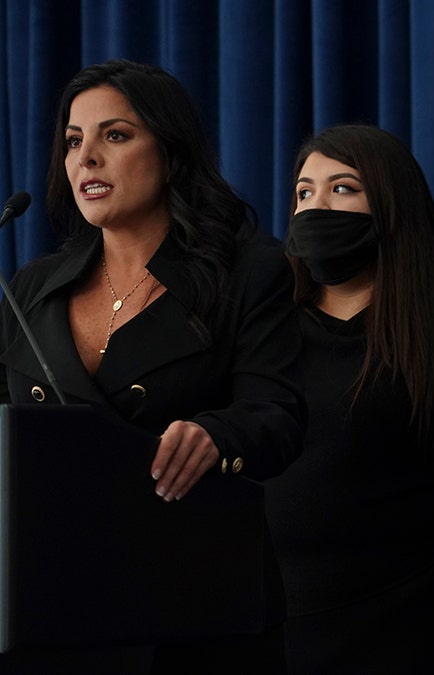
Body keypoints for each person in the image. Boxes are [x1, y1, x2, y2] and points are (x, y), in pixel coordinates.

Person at [0, 59, 304, 672]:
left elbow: (279, 415)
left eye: (114, 135)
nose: (87, 158)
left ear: (171, 150)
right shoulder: (31, 288)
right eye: (73, 141)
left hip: (192, 606)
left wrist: (217, 435)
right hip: (50, 607)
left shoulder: (248, 271)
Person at [263, 124, 434, 674]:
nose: (316, 207)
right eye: (304, 192)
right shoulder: (265, 333)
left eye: (342, 188)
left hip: (419, 634)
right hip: (280, 634)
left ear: (392, 204)